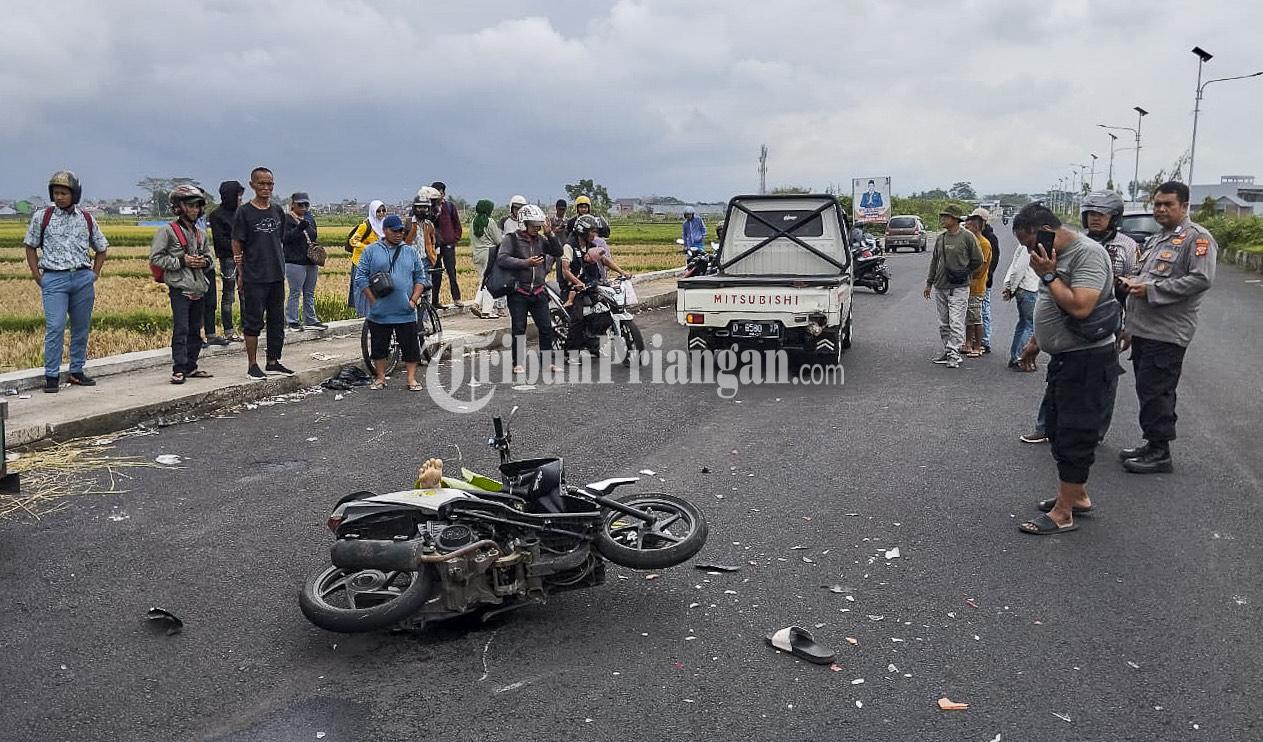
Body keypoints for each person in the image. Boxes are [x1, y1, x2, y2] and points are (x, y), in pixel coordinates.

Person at [1013, 202, 1121, 535]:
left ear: (1045, 230)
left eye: (1030, 242)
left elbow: (1080, 306)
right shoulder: (1053, 256)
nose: (1030, 251)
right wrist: (1036, 341)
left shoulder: (1086, 254)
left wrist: (1048, 273)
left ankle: (1064, 513)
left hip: (1087, 359)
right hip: (1066, 357)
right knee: (1059, 428)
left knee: (1076, 432)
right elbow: (1051, 302)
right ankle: (1078, 496)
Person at [1117, 181, 1216, 474]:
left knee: (1157, 391)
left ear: (1184, 206)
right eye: (1157, 204)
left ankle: (1161, 452)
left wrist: (1150, 290)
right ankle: (1152, 443)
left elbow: (1201, 279)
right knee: (1147, 389)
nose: (1160, 209)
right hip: (1146, 328)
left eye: (1167, 204)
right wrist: (1130, 323)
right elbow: (1143, 275)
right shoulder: (1158, 239)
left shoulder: (1197, 239)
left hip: (1168, 331)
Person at [23, 170, 109, 393]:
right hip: (54, 279)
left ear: (75, 195)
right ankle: (51, 376)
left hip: (82, 278)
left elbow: (101, 247)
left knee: (81, 328)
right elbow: (30, 246)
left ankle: (77, 371)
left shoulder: (87, 218)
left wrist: (94, 274)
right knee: (56, 327)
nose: (59, 197)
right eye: (56, 193)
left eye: (63, 193)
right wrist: (37, 275)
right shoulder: (43, 217)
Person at [354, 214, 431, 391]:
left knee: (411, 348)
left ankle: (411, 379)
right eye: (394, 231)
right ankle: (380, 377)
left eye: (401, 231)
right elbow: (361, 277)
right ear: (385, 230)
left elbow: (420, 277)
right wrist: (372, 301)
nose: (398, 234)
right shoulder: (371, 251)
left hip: (405, 311)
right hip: (380, 312)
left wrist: (413, 300)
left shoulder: (410, 251)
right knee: (379, 347)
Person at [231, 166, 293, 380]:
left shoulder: (277, 211)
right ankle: (252, 364)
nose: (266, 188)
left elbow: (281, 239)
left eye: (269, 184)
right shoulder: (244, 212)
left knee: (277, 320)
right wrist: (240, 272)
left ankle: (273, 360)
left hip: (276, 274)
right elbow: (237, 242)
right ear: (252, 185)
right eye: (261, 184)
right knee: (253, 321)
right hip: (255, 276)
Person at [149, 185, 214, 384]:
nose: (194, 210)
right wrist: (181, 262)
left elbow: (209, 257)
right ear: (179, 207)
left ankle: (191, 366)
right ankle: (178, 368)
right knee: (182, 328)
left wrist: (203, 262)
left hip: (198, 287)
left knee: (196, 329)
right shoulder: (167, 231)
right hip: (179, 287)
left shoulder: (201, 234)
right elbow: (156, 258)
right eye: (190, 205)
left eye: (197, 206)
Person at [496, 204, 563, 374]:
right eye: (533, 226)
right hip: (519, 291)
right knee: (519, 328)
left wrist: (550, 233)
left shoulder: (541, 240)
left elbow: (558, 251)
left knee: (546, 327)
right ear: (523, 223)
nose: (536, 229)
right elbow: (502, 259)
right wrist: (526, 263)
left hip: (539, 291)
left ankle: (547, 362)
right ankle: (517, 362)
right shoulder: (511, 239)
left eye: (538, 226)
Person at [922, 204, 983, 369]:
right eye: (942, 216)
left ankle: (954, 354)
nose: (943, 219)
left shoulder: (967, 237)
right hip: (941, 286)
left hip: (959, 287)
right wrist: (929, 283)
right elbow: (935, 261)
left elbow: (978, 259)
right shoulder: (941, 238)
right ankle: (948, 351)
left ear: (955, 219)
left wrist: (966, 272)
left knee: (956, 322)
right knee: (944, 323)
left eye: (946, 217)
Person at [208, 180, 245, 342]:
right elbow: (220, 240)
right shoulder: (217, 215)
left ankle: (247, 328)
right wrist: (238, 248)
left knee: (245, 293)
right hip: (228, 259)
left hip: (245, 258)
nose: (240, 199)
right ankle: (229, 331)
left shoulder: (243, 212)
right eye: (238, 195)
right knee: (229, 295)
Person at [1001, 222, 1041, 372]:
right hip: (1029, 288)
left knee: (1023, 323)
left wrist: (1010, 287)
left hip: (1024, 288)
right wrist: (1010, 288)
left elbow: (1014, 267)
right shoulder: (1028, 246)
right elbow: (1018, 269)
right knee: (1030, 325)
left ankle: (1015, 356)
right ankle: (1020, 358)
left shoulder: (1024, 245)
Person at [281, 192, 322, 330]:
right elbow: (285, 238)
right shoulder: (287, 219)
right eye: (300, 204)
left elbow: (314, 234)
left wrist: (307, 226)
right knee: (295, 292)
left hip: (311, 261)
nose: (304, 207)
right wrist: (299, 228)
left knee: (309, 292)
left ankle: (310, 319)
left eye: (306, 204)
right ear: (293, 205)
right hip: (294, 261)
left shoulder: (310, 218)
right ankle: (292, 320)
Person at [962, 211, 993, 357]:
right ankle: (968, 344)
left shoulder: (984, 244)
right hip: (968, 285)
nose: (966, 230)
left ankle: (978, 346)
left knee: (976, 318)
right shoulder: (972, 242)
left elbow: (980, 269)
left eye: (968, 227)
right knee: (969, 318)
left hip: (976, 286)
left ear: (975, 227)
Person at [429, 181, 463, 308]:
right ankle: (435, 301)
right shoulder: (429, 207)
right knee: (436, 273)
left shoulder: (449, 206)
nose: (440, 196)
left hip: (448, 243)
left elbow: (457, 224)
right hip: (434, 245)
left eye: (441, 193)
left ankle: (457, 298)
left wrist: (455, 238)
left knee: (451, 271)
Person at [347, 200, 385, 309]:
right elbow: (353, 241)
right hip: (361, 262)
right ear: (373, 212)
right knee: (361, 289)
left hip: (376, 263)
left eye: (383, 210)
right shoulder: (366, 226)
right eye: (378, 211)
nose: (381, 213)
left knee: (376, 287)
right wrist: (367, 247)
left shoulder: (384, 225)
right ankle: (361, 312)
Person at [469, 199, 504, 319]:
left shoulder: (473, 222)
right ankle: (486, 311)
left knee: (483, 280)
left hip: (477, 254)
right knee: (489, 282)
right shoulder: (490, 222)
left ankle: (477, 304)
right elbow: (499, 241)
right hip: (489, 254)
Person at [979, 210, 1001, 354]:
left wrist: (988, 275)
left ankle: (985, 339)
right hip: (974, 280)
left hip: (985, 280)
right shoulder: (974, 236)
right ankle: (976, 338)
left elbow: (994, 260)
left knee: (984, 310)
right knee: (974, 311)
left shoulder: (990, 238)